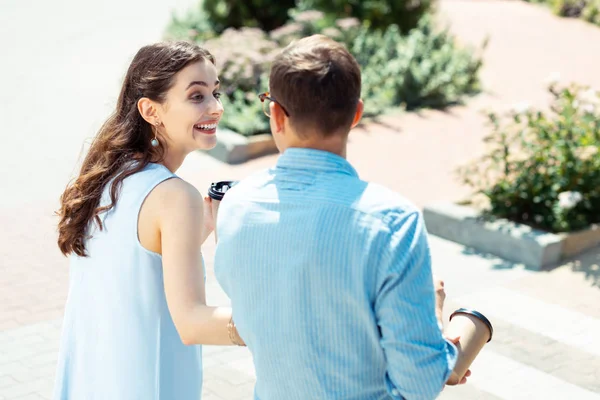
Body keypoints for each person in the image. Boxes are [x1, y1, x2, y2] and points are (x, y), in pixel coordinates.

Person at [213, 34, 465, 400]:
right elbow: (420, 383)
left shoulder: (236, 204)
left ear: (277, 114)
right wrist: (438, 320)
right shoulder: (393, 220)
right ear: (357, 114)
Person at [53, 41, 244, 400]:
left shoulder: (106, 178)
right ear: (150, 110)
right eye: (197, 96)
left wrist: (193, 232)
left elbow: (129, 269)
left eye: (215, 93)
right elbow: (192, 323)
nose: (216, 108)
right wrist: (281, 317)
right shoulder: (174, 196)